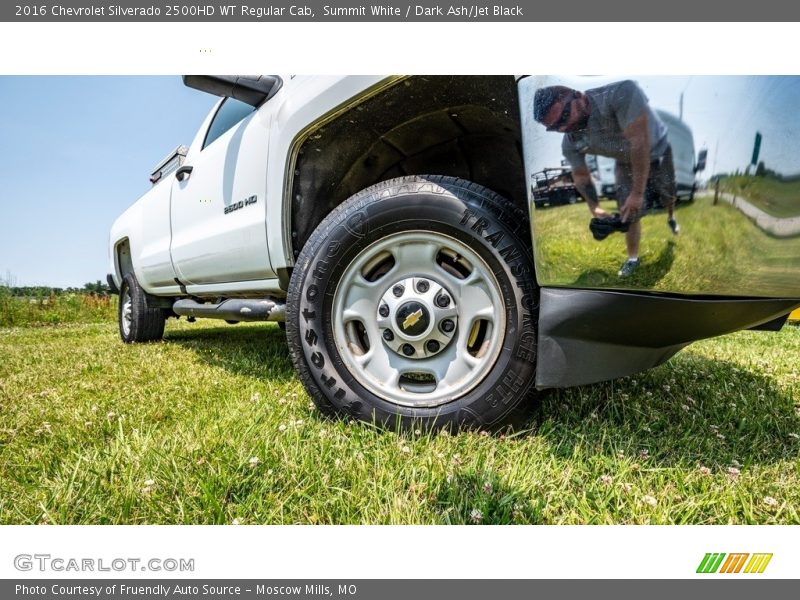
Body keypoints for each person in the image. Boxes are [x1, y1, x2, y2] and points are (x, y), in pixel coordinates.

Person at [533, 80, 680, 277]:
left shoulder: (619, 93)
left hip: (658, 149)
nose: (564, 128)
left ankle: (670, 216)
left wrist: (637, 193)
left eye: (565, 116)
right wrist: (595, 207)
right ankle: (632, 259)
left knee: (668, 195)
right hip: (625, 160)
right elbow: (581, 175)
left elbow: (639, 142)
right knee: (629, 211)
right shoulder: (570, 141)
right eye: (555, 127)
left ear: (580, 97)